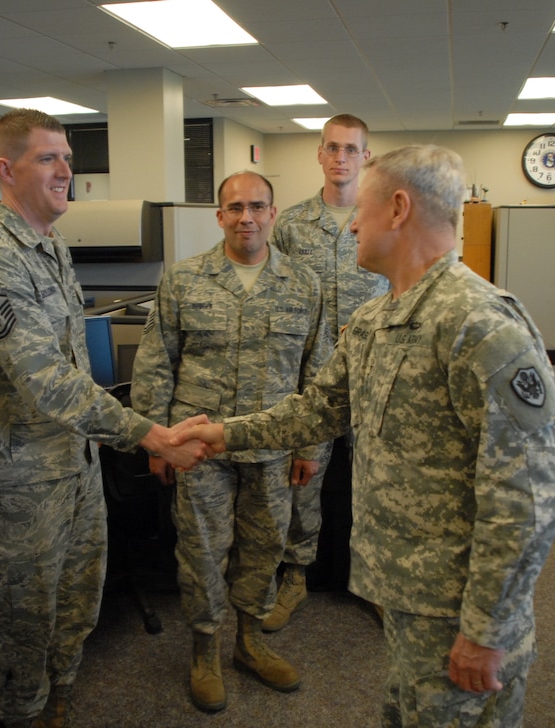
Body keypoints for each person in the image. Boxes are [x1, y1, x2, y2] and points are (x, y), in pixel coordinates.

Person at [174, 145, 555, 727]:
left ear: (399, 208)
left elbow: (529, 497)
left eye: (362, 208)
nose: (352, 223)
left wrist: (488, 629)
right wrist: (221, 434)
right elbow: (317, 410)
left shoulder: (478, 323)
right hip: (405, 591)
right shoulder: (380, 319)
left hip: (460, 609)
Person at [0, 108, 207, 728]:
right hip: (19, 486)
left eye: (67, 156)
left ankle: (57, 702)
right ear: (6, 169)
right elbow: (46, 382)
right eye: (48, 158)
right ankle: (25, 714)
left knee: (75, 605)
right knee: (23, 628)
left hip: (74, 468)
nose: (67, 171)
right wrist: (153, 434)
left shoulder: (51, 246)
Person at [131, 171, 330, 713]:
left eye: (258, 207)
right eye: (236, 207)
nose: (247, 217)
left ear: (273, 213)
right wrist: (157, 441)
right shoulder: (185, 280)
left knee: (263, 551)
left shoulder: (304, 283)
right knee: (200, 552)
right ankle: (204, 652)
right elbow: (156, 362)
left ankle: (248, 642)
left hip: (272, 449)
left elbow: (319, 373)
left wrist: (311, 448)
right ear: (219, 216)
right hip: (199, 451)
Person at [264, 113, 389, 629]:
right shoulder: (291, 225)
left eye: (351, 149)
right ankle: (295, 576)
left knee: (379, 480)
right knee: (303, 481)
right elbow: (280, 298)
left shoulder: (384, 215)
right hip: (314, 378)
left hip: (375, 376)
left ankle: (379, 582)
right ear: (319, 154)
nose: (340, 158)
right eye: (332, 148)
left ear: (366, 157)